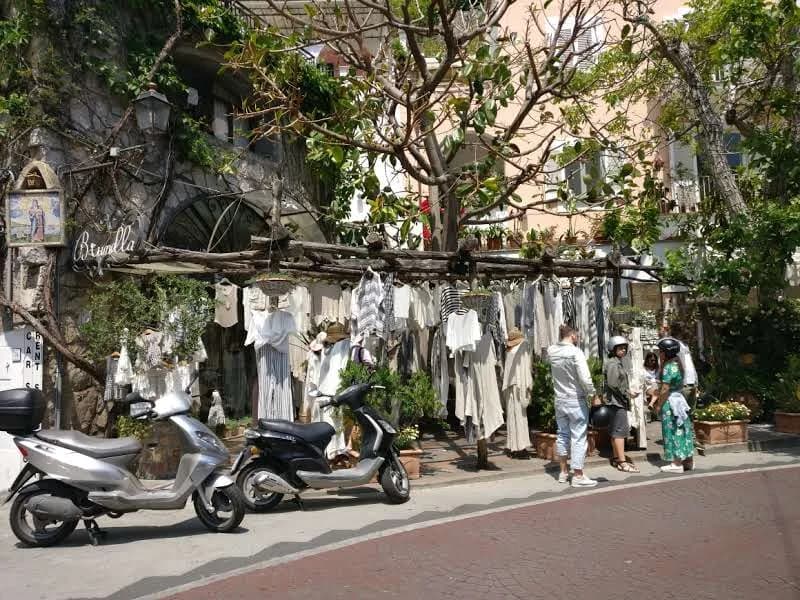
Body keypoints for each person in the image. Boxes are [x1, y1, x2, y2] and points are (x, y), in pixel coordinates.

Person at [546, 324, 598, 487]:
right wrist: (593, 393)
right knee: (578, 436)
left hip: (559, 398)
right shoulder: (575, 352)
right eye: (578, 336)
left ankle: (563, 472)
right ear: (573, 336)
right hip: (575, 399)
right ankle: (578, 475)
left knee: (562, 434)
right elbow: (584, 377)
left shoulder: (552, 351)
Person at [649, 337, 694, 473]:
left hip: (670, 403)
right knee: (683, 429)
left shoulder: (669, 367)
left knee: (673, 431)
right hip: (679, 400)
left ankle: (676, 463)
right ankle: (688, 461)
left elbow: (664, 390)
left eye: (661, 351)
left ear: (665, 353)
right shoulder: (678, 363)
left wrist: (658, 405)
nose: (659, 354)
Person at [603, 335, 640, 473]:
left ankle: (616, 459)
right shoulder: (613, 363)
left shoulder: (616, 362)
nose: (623, 350)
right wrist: (627, 393)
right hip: (616, 402)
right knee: (620, 432)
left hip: (615, 401)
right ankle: (623, 462)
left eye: (624, 348)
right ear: (613, 349)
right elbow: (613, 383)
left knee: (615, 431)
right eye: (620, 348)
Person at [659, 323, 697, 406]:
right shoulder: (674, 345)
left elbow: (690, 364)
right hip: (683, 383)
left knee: (689, 414)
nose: (690, 333)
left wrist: (695, 380)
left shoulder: (685, 345)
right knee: (682, 413)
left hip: (692, 382)